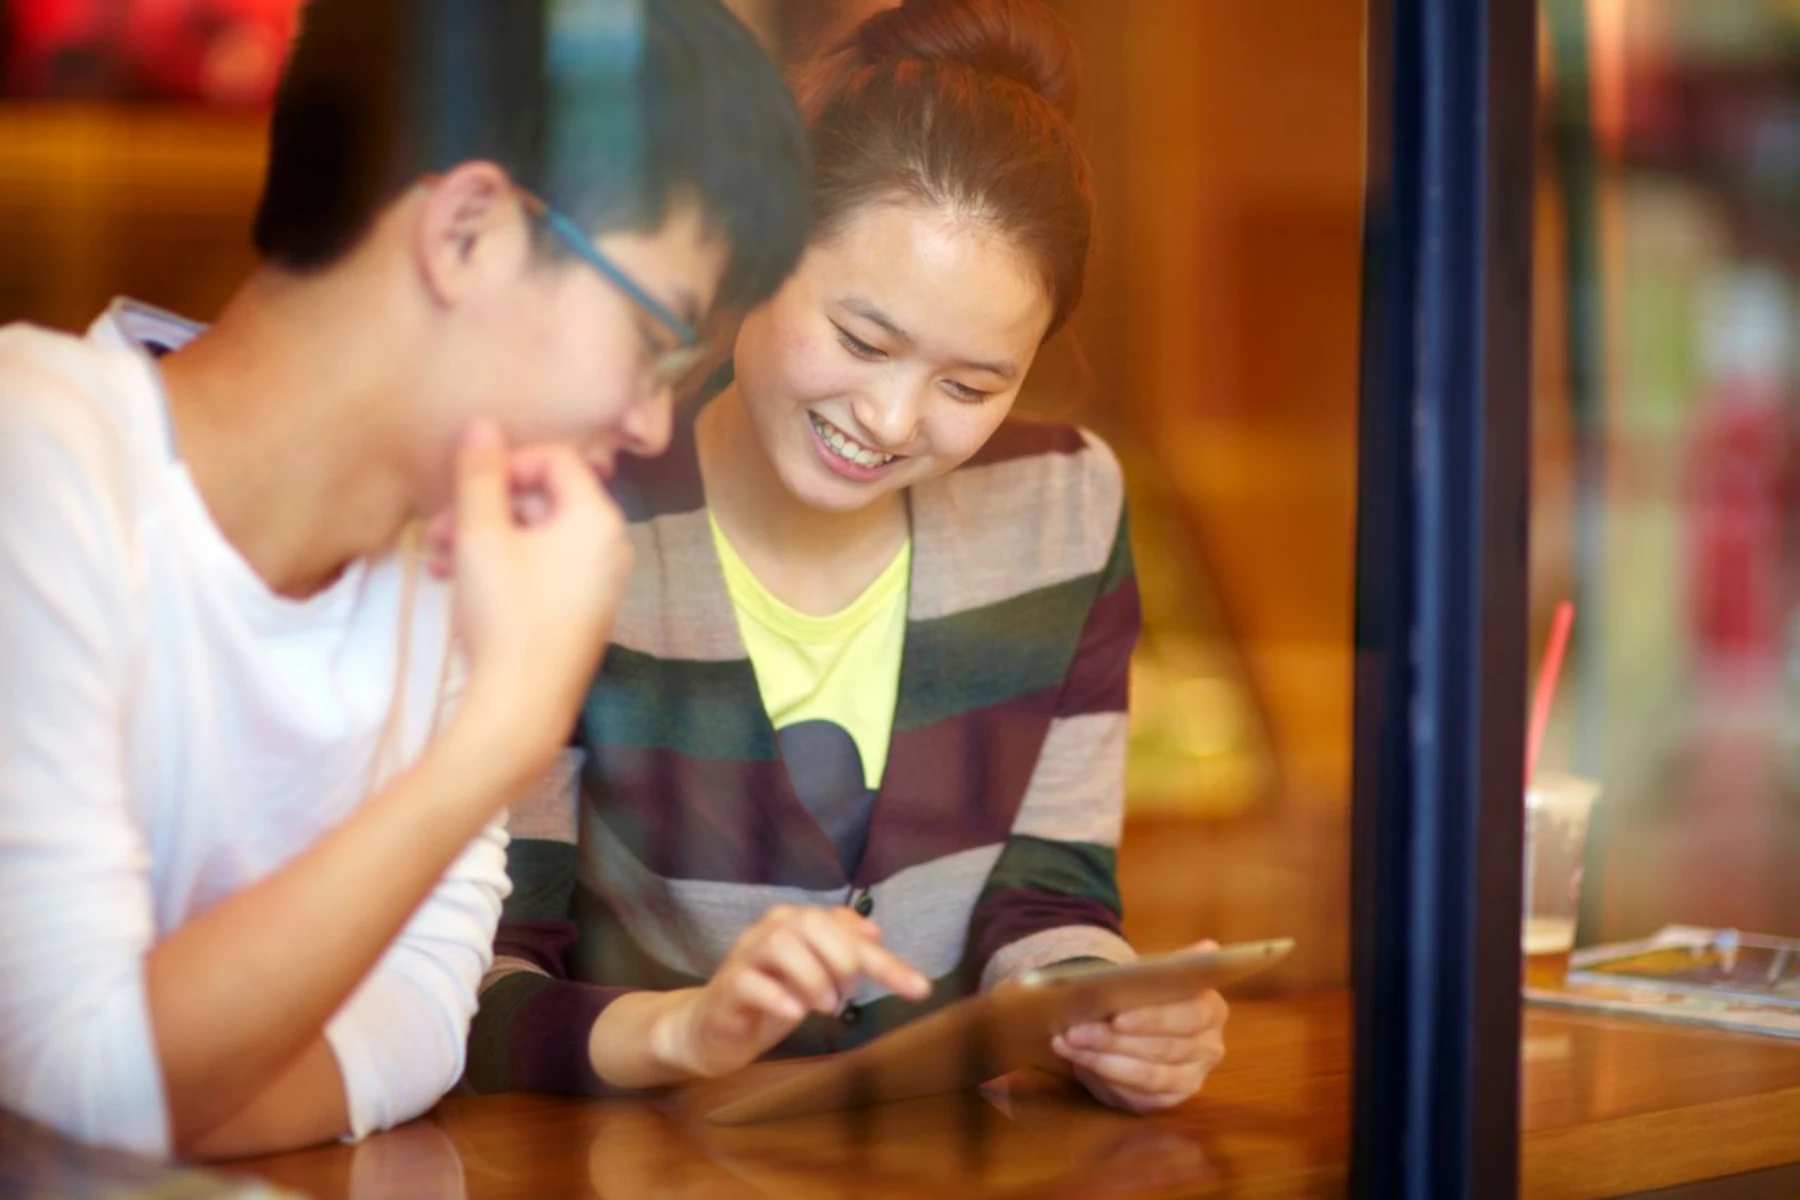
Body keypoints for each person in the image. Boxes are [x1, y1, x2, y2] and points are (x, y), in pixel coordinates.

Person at [0, 0, 808, 1160]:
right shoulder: (40, 454)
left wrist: (166, 1105)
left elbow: (433, 1010)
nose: (644, 423)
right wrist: (506, 730)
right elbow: (80, 1092)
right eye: (654, 341)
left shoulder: (459, 568)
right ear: (470, 229)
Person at [469, 0, 1229, 1114]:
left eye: (970, 387)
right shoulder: (574, 515)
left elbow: (1047, 899)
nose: (890, 417)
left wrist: (1108, 1011)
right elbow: (480, 981)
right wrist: (685, 1032)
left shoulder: (1060, 509)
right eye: (863, 341)